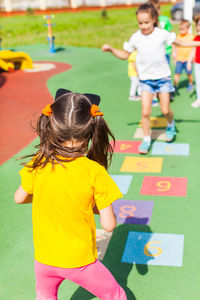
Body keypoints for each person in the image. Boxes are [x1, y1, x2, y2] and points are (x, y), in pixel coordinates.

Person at [14, 89, 127, 300]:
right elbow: (109, 224)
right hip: (80, 262)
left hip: (44, 260)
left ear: (52, 128)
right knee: (116, 295)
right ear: (91, 132)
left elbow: (19, 197)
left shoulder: (39, 162)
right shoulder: (94, 172)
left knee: (45, 296)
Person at [102, 3, 200, 154]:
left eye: (146, 22)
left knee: (165, 109)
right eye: (140, 23)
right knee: (145, 112)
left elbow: (180, 42)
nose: (143, 26)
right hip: (146, 81)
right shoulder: (136, 37)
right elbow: (125, 55)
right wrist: (111, 50)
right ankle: (146, 139)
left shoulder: (161, 34)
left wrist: (197, 42)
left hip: (163, 79)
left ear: (154, 19)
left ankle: (171, 124)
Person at [173, 19, 194, 93]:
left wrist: (189, 61)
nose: (181, 30)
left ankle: (190, 83)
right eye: (180, 29)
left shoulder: (191, 37)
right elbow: (175, 47)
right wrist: (175, 57)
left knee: (189, 73)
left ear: (188, 28)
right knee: (177, 73)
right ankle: (174, 86)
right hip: (179, 59)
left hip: (187, 60)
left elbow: (193, 49)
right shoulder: (178, 36)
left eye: (183, 29)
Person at [187, 16, 200, 108]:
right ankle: (199, 99)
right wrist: (189, 61)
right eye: (198, 25)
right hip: (198, 63)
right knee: (198, 81)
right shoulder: (196, 38)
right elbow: (193, 50)